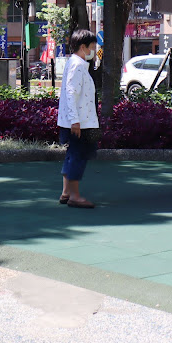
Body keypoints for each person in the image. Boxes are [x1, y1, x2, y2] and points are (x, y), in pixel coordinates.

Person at [56, 29, 99, 209]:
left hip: (77, 120)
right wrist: (75, 120)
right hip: (79, 122)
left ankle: (67, 193)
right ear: (83, 47)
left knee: (72, 155)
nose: (94, 51)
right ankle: (74, 196)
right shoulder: (78, 65)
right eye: (92, 47)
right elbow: (72, 93)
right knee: (78, 156)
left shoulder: (74, 63)